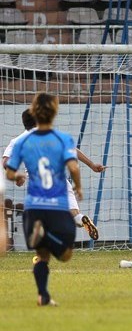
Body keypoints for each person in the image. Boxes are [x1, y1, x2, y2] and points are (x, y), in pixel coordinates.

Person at [5, 93, 83, 306]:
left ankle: (43, 296)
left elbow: (9, 170)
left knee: (42, 255)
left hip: (33, 206)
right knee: (66, 254)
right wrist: (78, 185)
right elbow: (73, 166)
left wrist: (18, 176)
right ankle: (48, 234)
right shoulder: (61, 139)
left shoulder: (22, 141)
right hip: (56, 204)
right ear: (53, 113)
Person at [3, 109, 104, 240]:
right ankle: (80, 219)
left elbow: (6, 162)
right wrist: (92, 165)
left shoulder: (17, 141)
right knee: (74, 214)